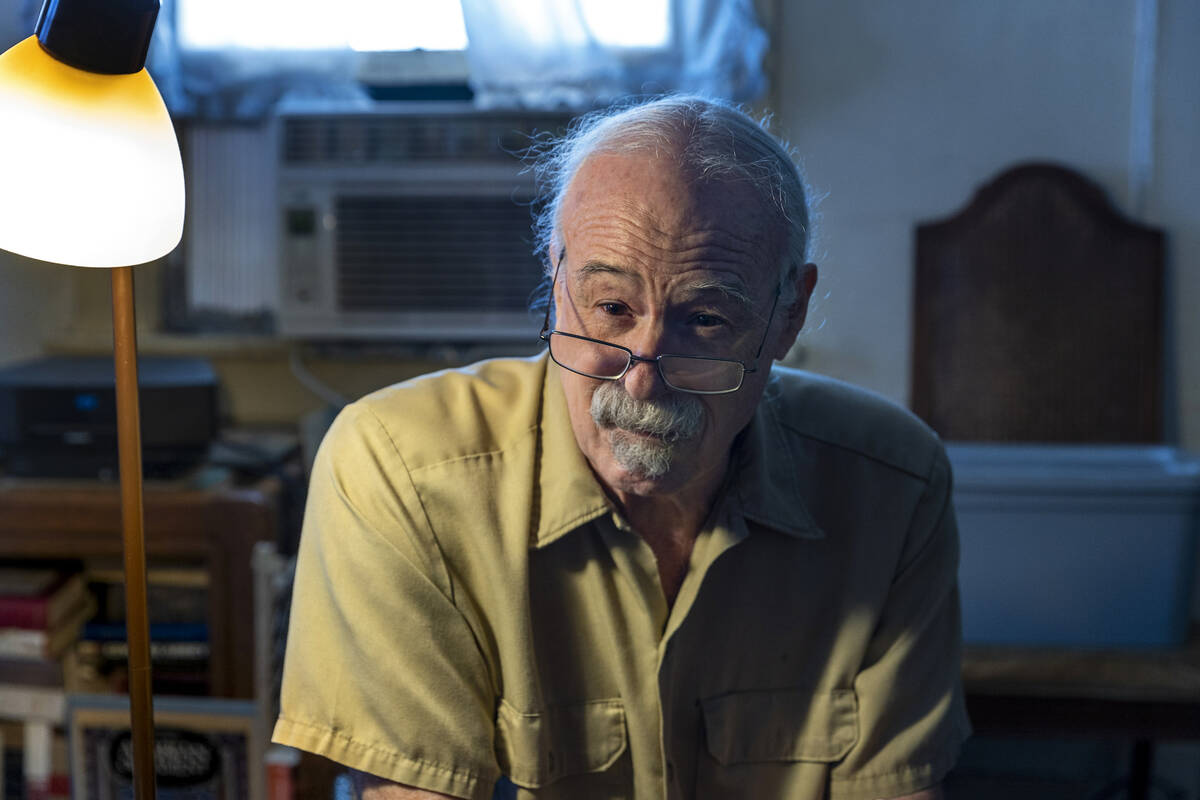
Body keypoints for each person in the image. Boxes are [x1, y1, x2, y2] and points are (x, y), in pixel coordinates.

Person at [272, 95, 970, 800]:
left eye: (704, 320)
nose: (642, 381)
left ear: (787, 316)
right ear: (556, 276)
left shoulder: (892, 484)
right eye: (611, 309)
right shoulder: (399, 471)